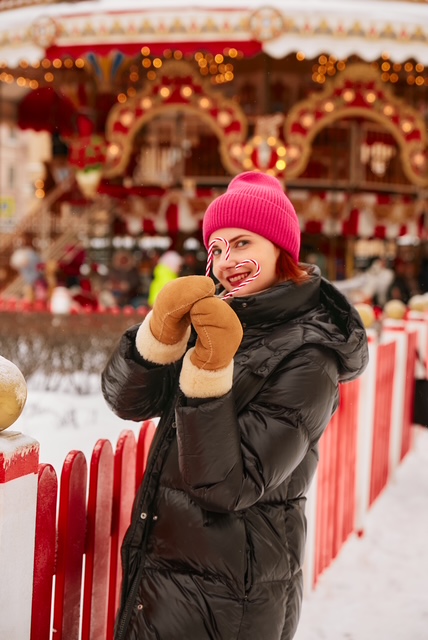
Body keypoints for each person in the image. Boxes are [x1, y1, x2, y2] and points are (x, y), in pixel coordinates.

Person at [101, 171, 369, 640]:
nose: (227, 261)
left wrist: (208, 372)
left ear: (281, 249)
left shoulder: (310, 356)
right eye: (217, 248)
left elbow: (228, 486)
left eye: (243, 243)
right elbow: (127, 401)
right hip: (170, 575)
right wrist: (158, 336)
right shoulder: (218, 320)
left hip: (231, 598)